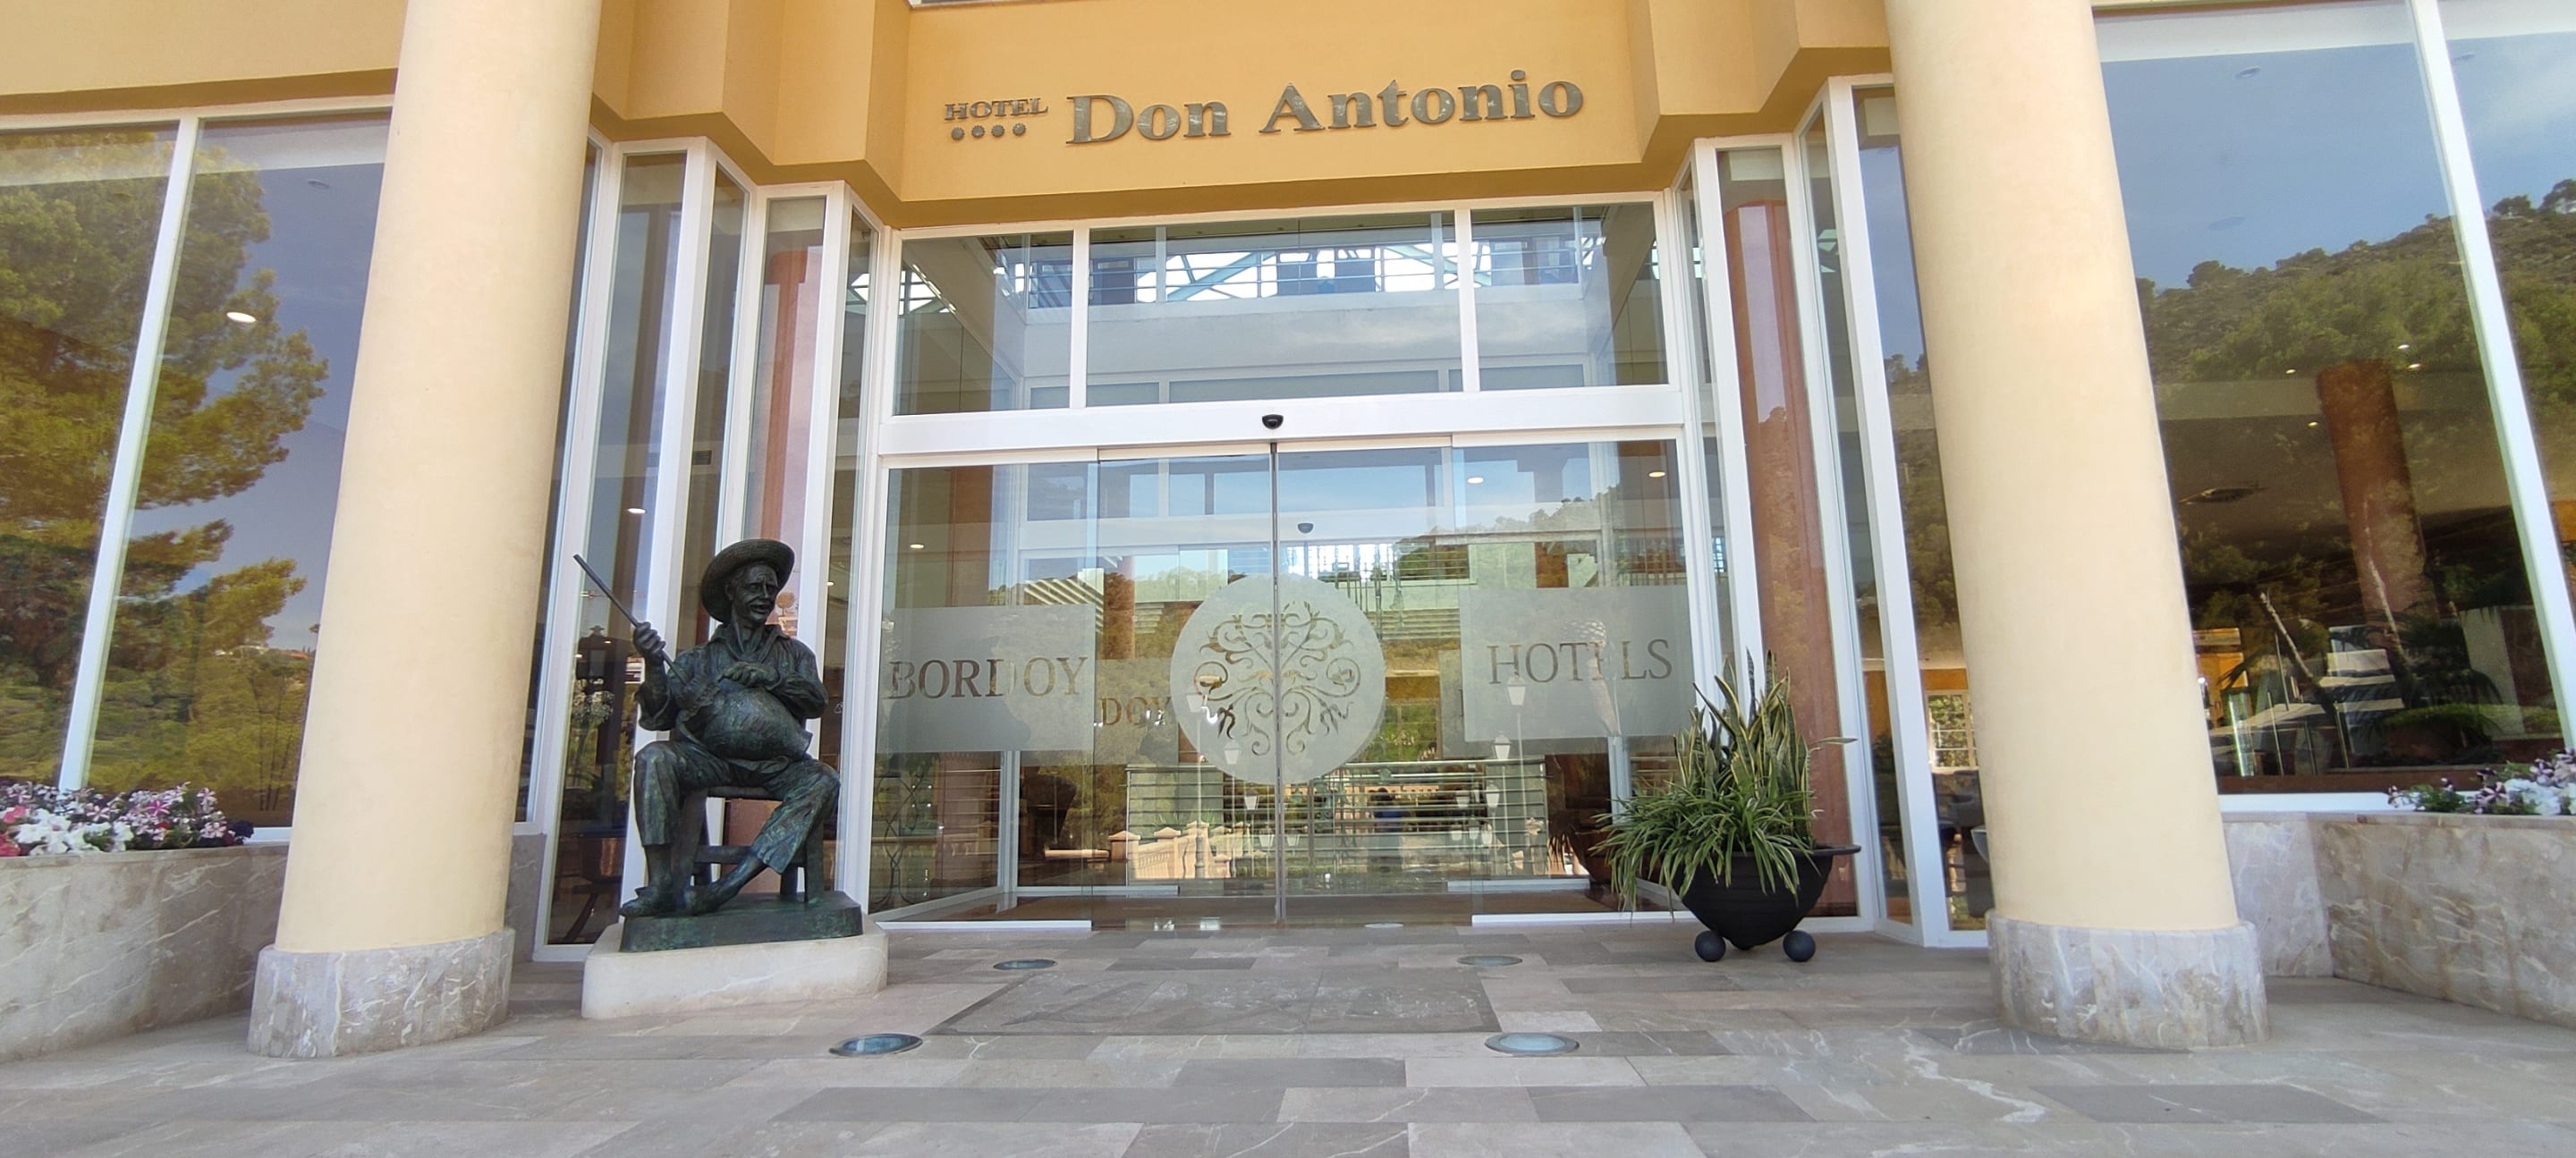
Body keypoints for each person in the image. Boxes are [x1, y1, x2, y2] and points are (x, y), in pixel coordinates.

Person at [617, 539, 839, 917]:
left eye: (771, 588)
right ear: (731, 592)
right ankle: (660, 885)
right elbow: (657, 718)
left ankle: (728, 886)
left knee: (824, 780)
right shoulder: (698, 659)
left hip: (776, 765)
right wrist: (653, 665)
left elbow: (817, 702)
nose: (765, 596)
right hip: (710, 760)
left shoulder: (793, 653)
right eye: (755, 587)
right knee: (654, 758)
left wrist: (772, 678)